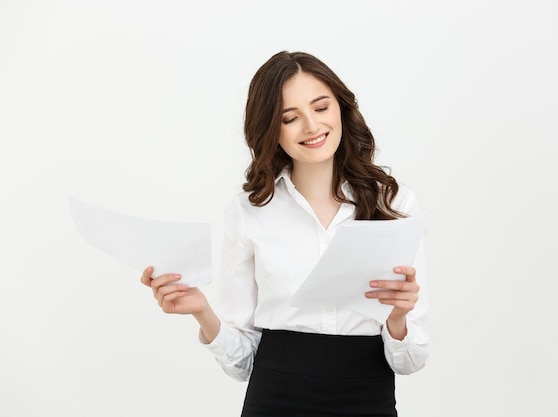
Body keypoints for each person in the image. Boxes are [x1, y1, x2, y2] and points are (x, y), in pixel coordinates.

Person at [140, 50, 431, 417]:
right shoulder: (249, 210)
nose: (311, 127)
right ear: (270, 130)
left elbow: (411, 361)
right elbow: (242, 363)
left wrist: (398, 317)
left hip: (367, 398)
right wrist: (202, 310)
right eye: (290, 118)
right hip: (276, 399)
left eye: (321, 108)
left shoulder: (395, 201)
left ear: (341, 108)